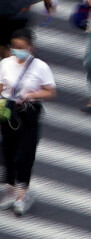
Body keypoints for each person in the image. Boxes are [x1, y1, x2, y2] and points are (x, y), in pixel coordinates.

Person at [0, 29, 56, 216]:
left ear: (31, 47)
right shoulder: (6, 63)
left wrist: (31, 95)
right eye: (14, 47)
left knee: (24, 156)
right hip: (8, 113)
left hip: (29, 114)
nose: (18, 51)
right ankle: (9, 192)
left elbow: (50, 91)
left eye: (22, 48)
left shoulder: (40, 67)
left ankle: (22, 196)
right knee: (7, 154)